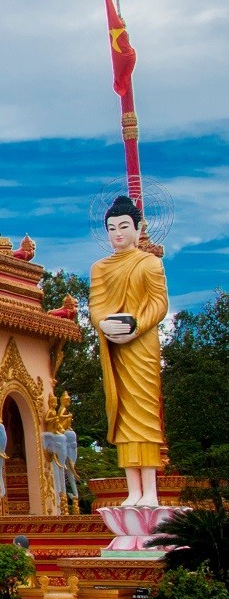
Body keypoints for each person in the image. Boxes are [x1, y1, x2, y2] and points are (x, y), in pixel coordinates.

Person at [89, 194, 169, 507]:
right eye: (111, 228)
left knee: (144, 412)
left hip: (141, 343)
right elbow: (96, 305)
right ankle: (133, 489)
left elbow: (159, 303)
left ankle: (150, 489)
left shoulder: (150, 263)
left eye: (124, 226)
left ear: (138, 229)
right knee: (122, 412)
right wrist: (105, 324)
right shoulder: (100, 268)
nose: (118, 233)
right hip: (113, 346)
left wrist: (136, 325)